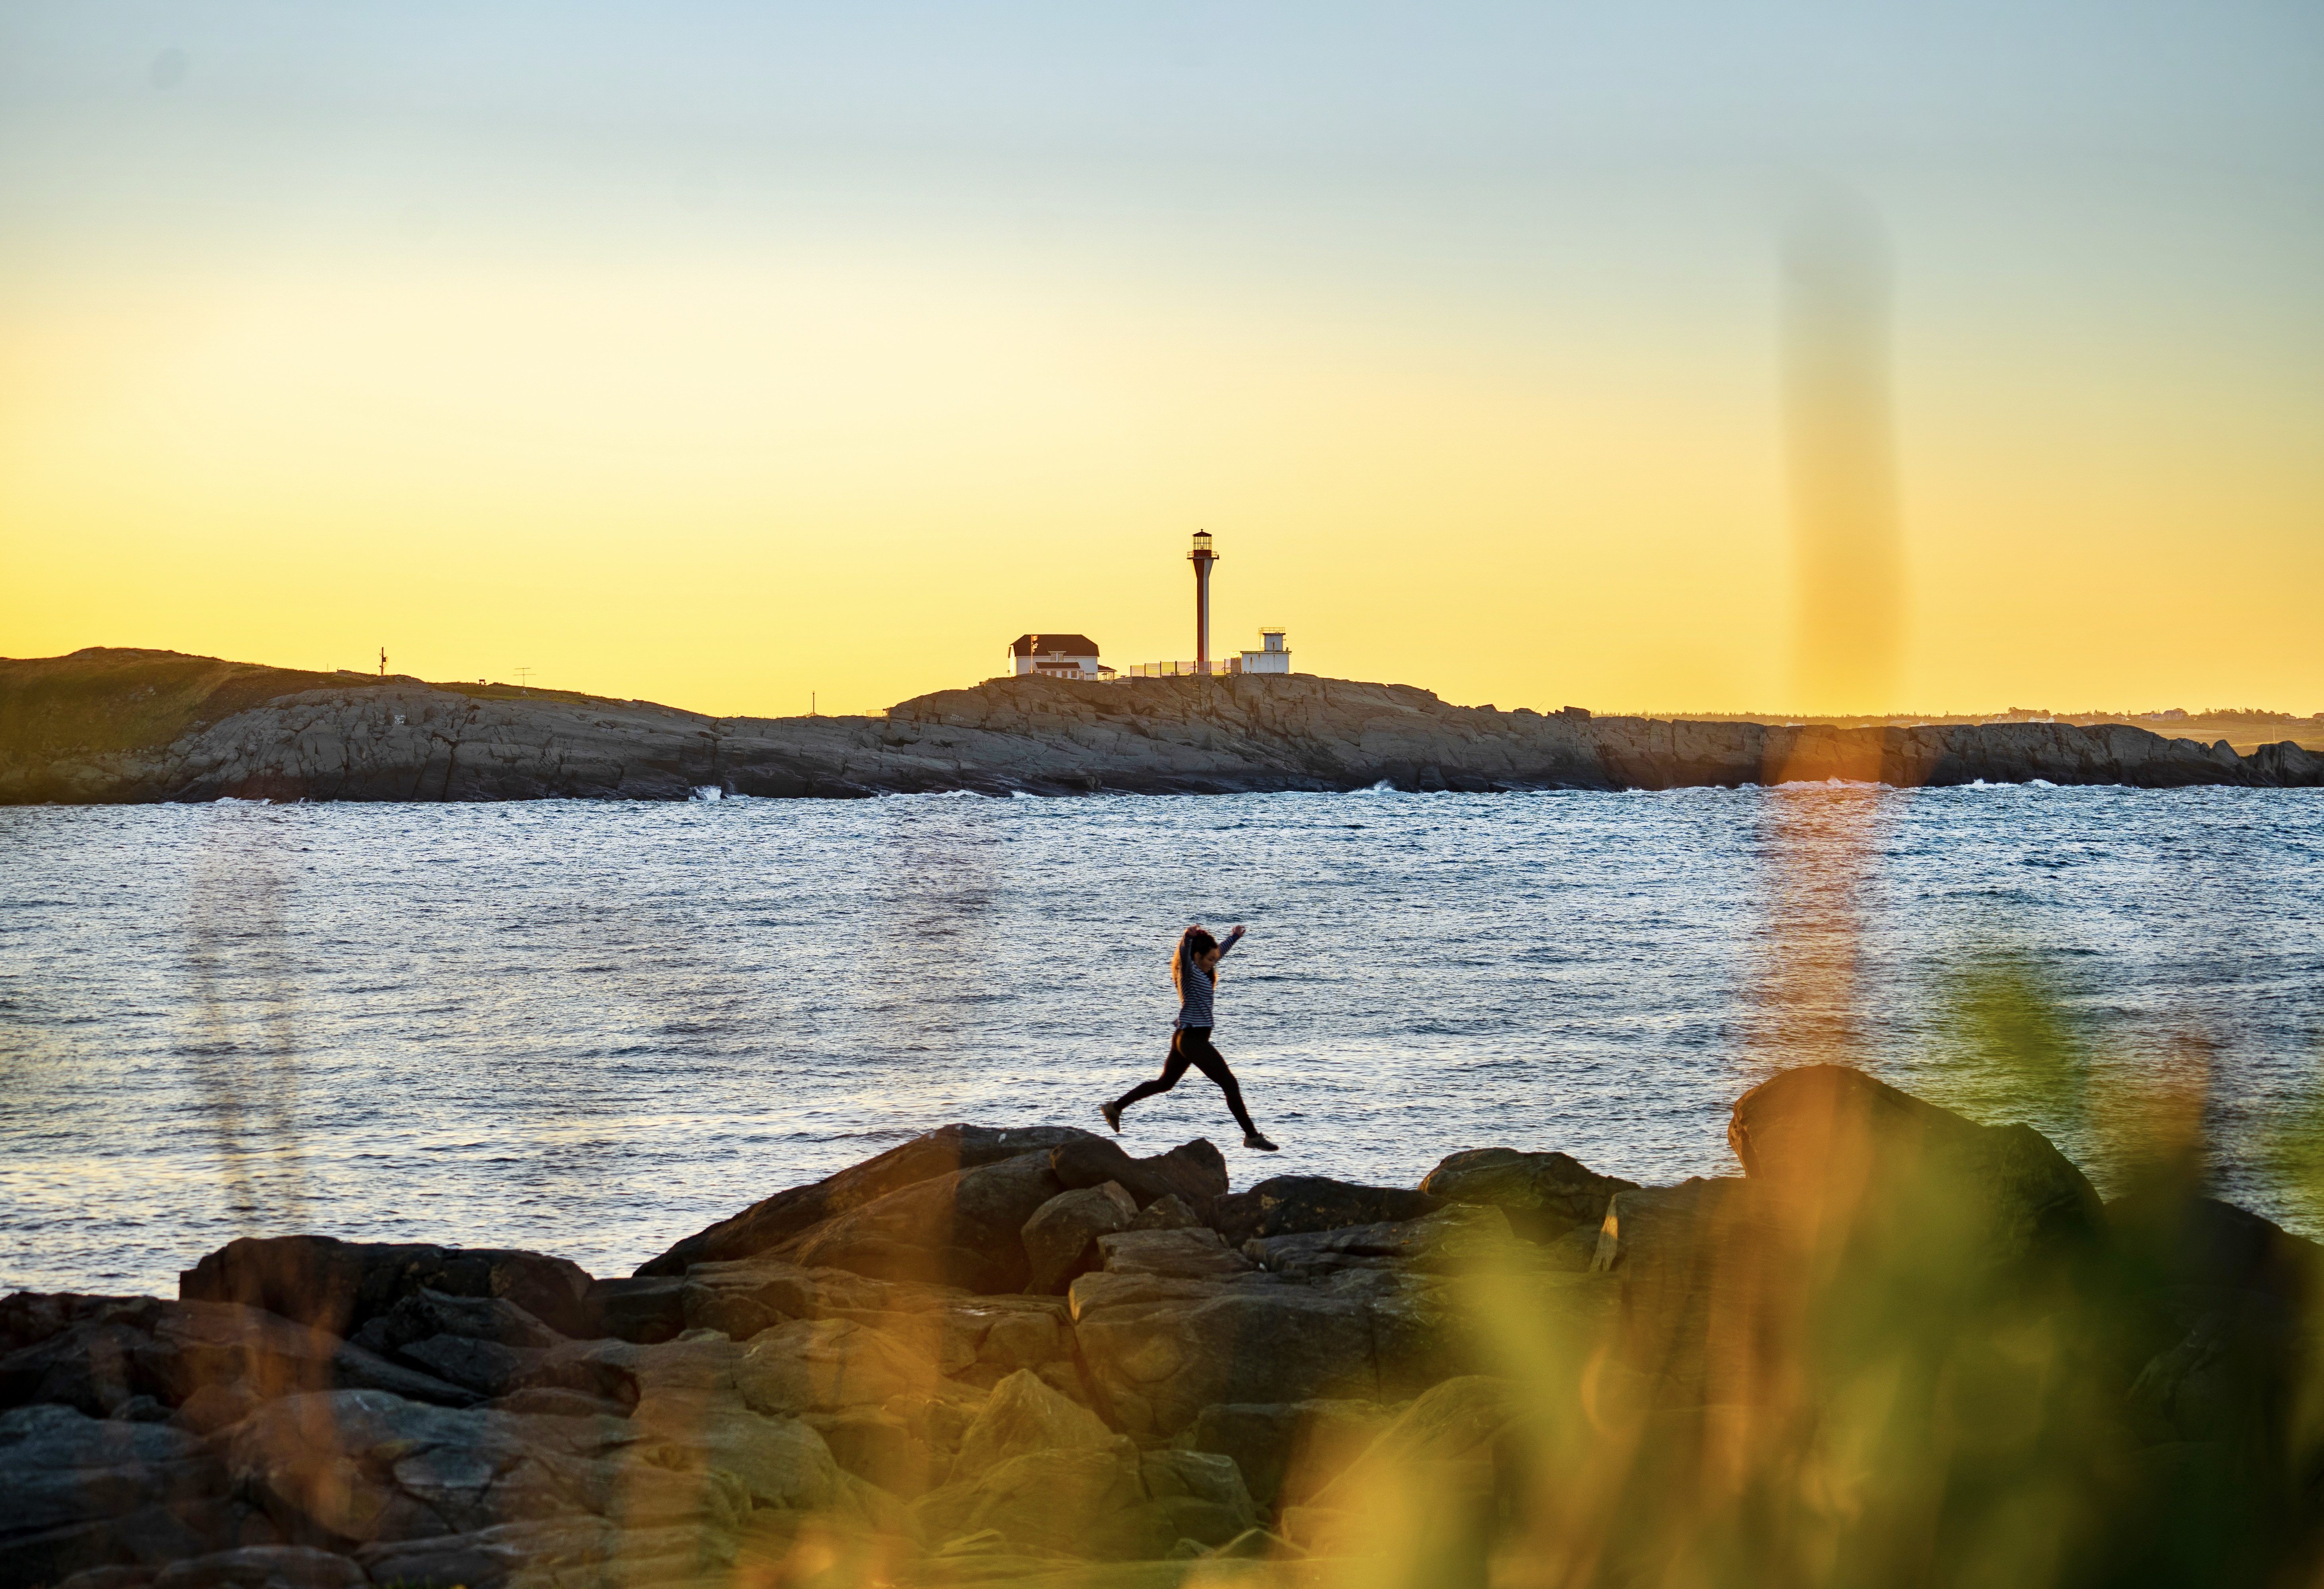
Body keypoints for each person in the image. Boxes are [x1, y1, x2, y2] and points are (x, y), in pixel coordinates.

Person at [1101, 923, 1278, 1151]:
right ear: (1197, 956)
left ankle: (1115, 1107)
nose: (1214, 964)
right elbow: (1187, 954)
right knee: (1230, 1085)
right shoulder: (1189, 971)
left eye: (1215, 960)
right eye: (1210, 960)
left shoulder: (1202, 969)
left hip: (1185, 1036)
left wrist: (1233, 938)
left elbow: (1217, 953)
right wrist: (1187, 937)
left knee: (1165, 1083)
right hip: (1193, 1039)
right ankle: (1252, 1136)